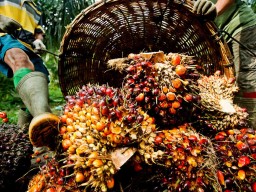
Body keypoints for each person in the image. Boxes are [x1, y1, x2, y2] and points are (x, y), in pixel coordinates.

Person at [0, 0, 59, 149]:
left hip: (29, 46)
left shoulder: (35, 7)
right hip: (4, 36)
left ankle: (23, 139)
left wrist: (38, 41)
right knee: (19, 60)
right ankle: (49, 130)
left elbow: (37, 31)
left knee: (40, 80)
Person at [193, 0, 256, 129]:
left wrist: (216, 9)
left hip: (238, 28)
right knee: (223, 90)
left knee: (246, 86)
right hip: (214, 37)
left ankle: (251, 134)